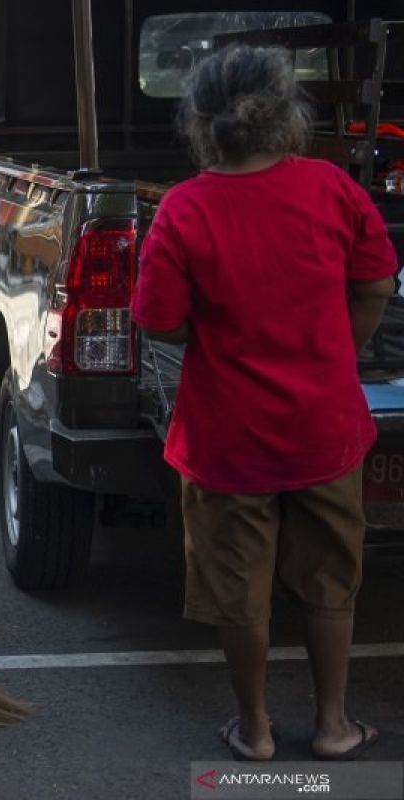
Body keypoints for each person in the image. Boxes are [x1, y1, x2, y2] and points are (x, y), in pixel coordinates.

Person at [132, 45, 397, 762]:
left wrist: (216, 326)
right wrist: (342, 346)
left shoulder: (185, 208)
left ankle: (254, 731)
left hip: (227, 439)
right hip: (324, 427)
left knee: (238, 592)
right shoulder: (330, 187)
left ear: (201, 121)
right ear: (287, 114)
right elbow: (376, 281)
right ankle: (335, 725)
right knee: (329, 581)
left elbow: (157, 320)